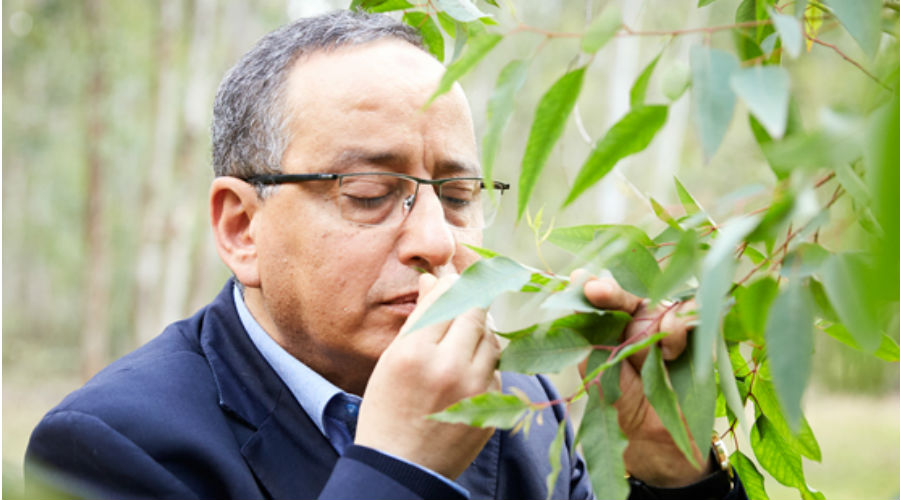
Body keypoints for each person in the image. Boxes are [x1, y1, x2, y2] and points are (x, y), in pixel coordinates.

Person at [26, 10, 746, 500]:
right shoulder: (112, 450)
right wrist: (399, 469)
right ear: (242, 228)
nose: (437, 240)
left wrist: (670, 477)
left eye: (459, 194)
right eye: (370, 192)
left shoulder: (529, 406)